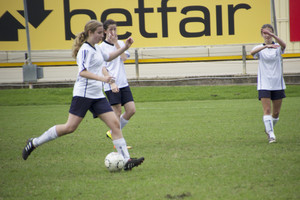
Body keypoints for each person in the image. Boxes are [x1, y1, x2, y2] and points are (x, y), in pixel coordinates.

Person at [22, 20, 144, 170]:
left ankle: (126, 161)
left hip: (97, 95)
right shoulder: (85, 50)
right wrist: (103, 79)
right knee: (69, 127)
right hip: (83, 95)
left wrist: (125, 46)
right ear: (90, 33)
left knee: (115, 125)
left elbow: (109, 56)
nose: (101, 36)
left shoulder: (97, 49)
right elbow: (83, 72)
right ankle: (34, 142)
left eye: (101, 33)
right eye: (99, 33)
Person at [99, 19, 136, 143]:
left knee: (131, 110)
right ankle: (118, 143)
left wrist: (116, 43)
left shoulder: (120, 43)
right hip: (111, 85)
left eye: (115, 29)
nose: (113, 32)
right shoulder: (101, 47)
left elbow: (124, 58)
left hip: (123, 83)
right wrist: (112, 82)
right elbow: (102, 68)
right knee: (117, 113)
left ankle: (112, 132)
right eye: (110, 29)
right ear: (105, 31)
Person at [250, 24, 286, 143]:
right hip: (264, 83)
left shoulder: (277, 47)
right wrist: (265, 47)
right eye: (265, 33)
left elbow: (284, 45)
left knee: (276, 113)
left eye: (269, 33)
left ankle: (269, 128)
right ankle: (271, 135)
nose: (267, 35)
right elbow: (252, 53)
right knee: (267, 110)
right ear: (262, 35)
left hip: (277, 83)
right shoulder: (260, 48)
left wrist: (273, 37)